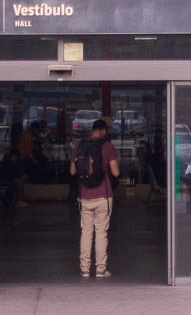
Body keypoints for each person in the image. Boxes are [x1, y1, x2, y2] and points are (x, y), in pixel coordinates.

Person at [70, 117, 120, 278]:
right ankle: (100, 269)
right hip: (103, 195)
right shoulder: (107, 146)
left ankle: (84, 269)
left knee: (86, 232)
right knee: (101, 233)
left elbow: (72, 172)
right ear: (104, 131)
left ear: (92, 131)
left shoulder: (79, 146)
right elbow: (116, 172)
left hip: (85, 195)